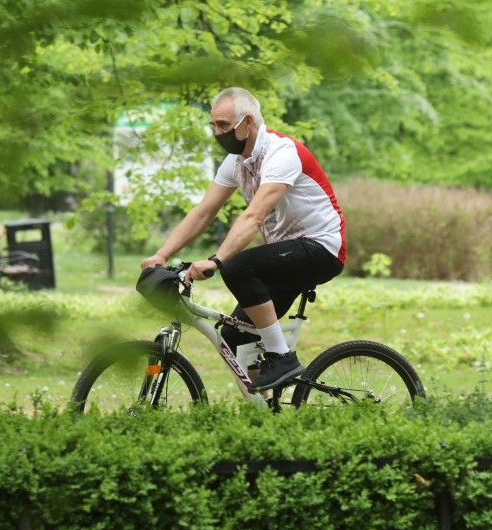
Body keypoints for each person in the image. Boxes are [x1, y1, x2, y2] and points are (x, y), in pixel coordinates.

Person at [141, 87, 346, 393]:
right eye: (213, 125)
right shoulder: (236, 162)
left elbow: (253, 217)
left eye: (223, 126)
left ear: (247, 122)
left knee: (237, 267)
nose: (216, 132)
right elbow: (203, 212)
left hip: (321, 247)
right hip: (285, 253)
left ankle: (282, 357)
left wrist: (216, 261)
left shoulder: (282, 153)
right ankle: (263, 413)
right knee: (236, 337)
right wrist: (162, 254)